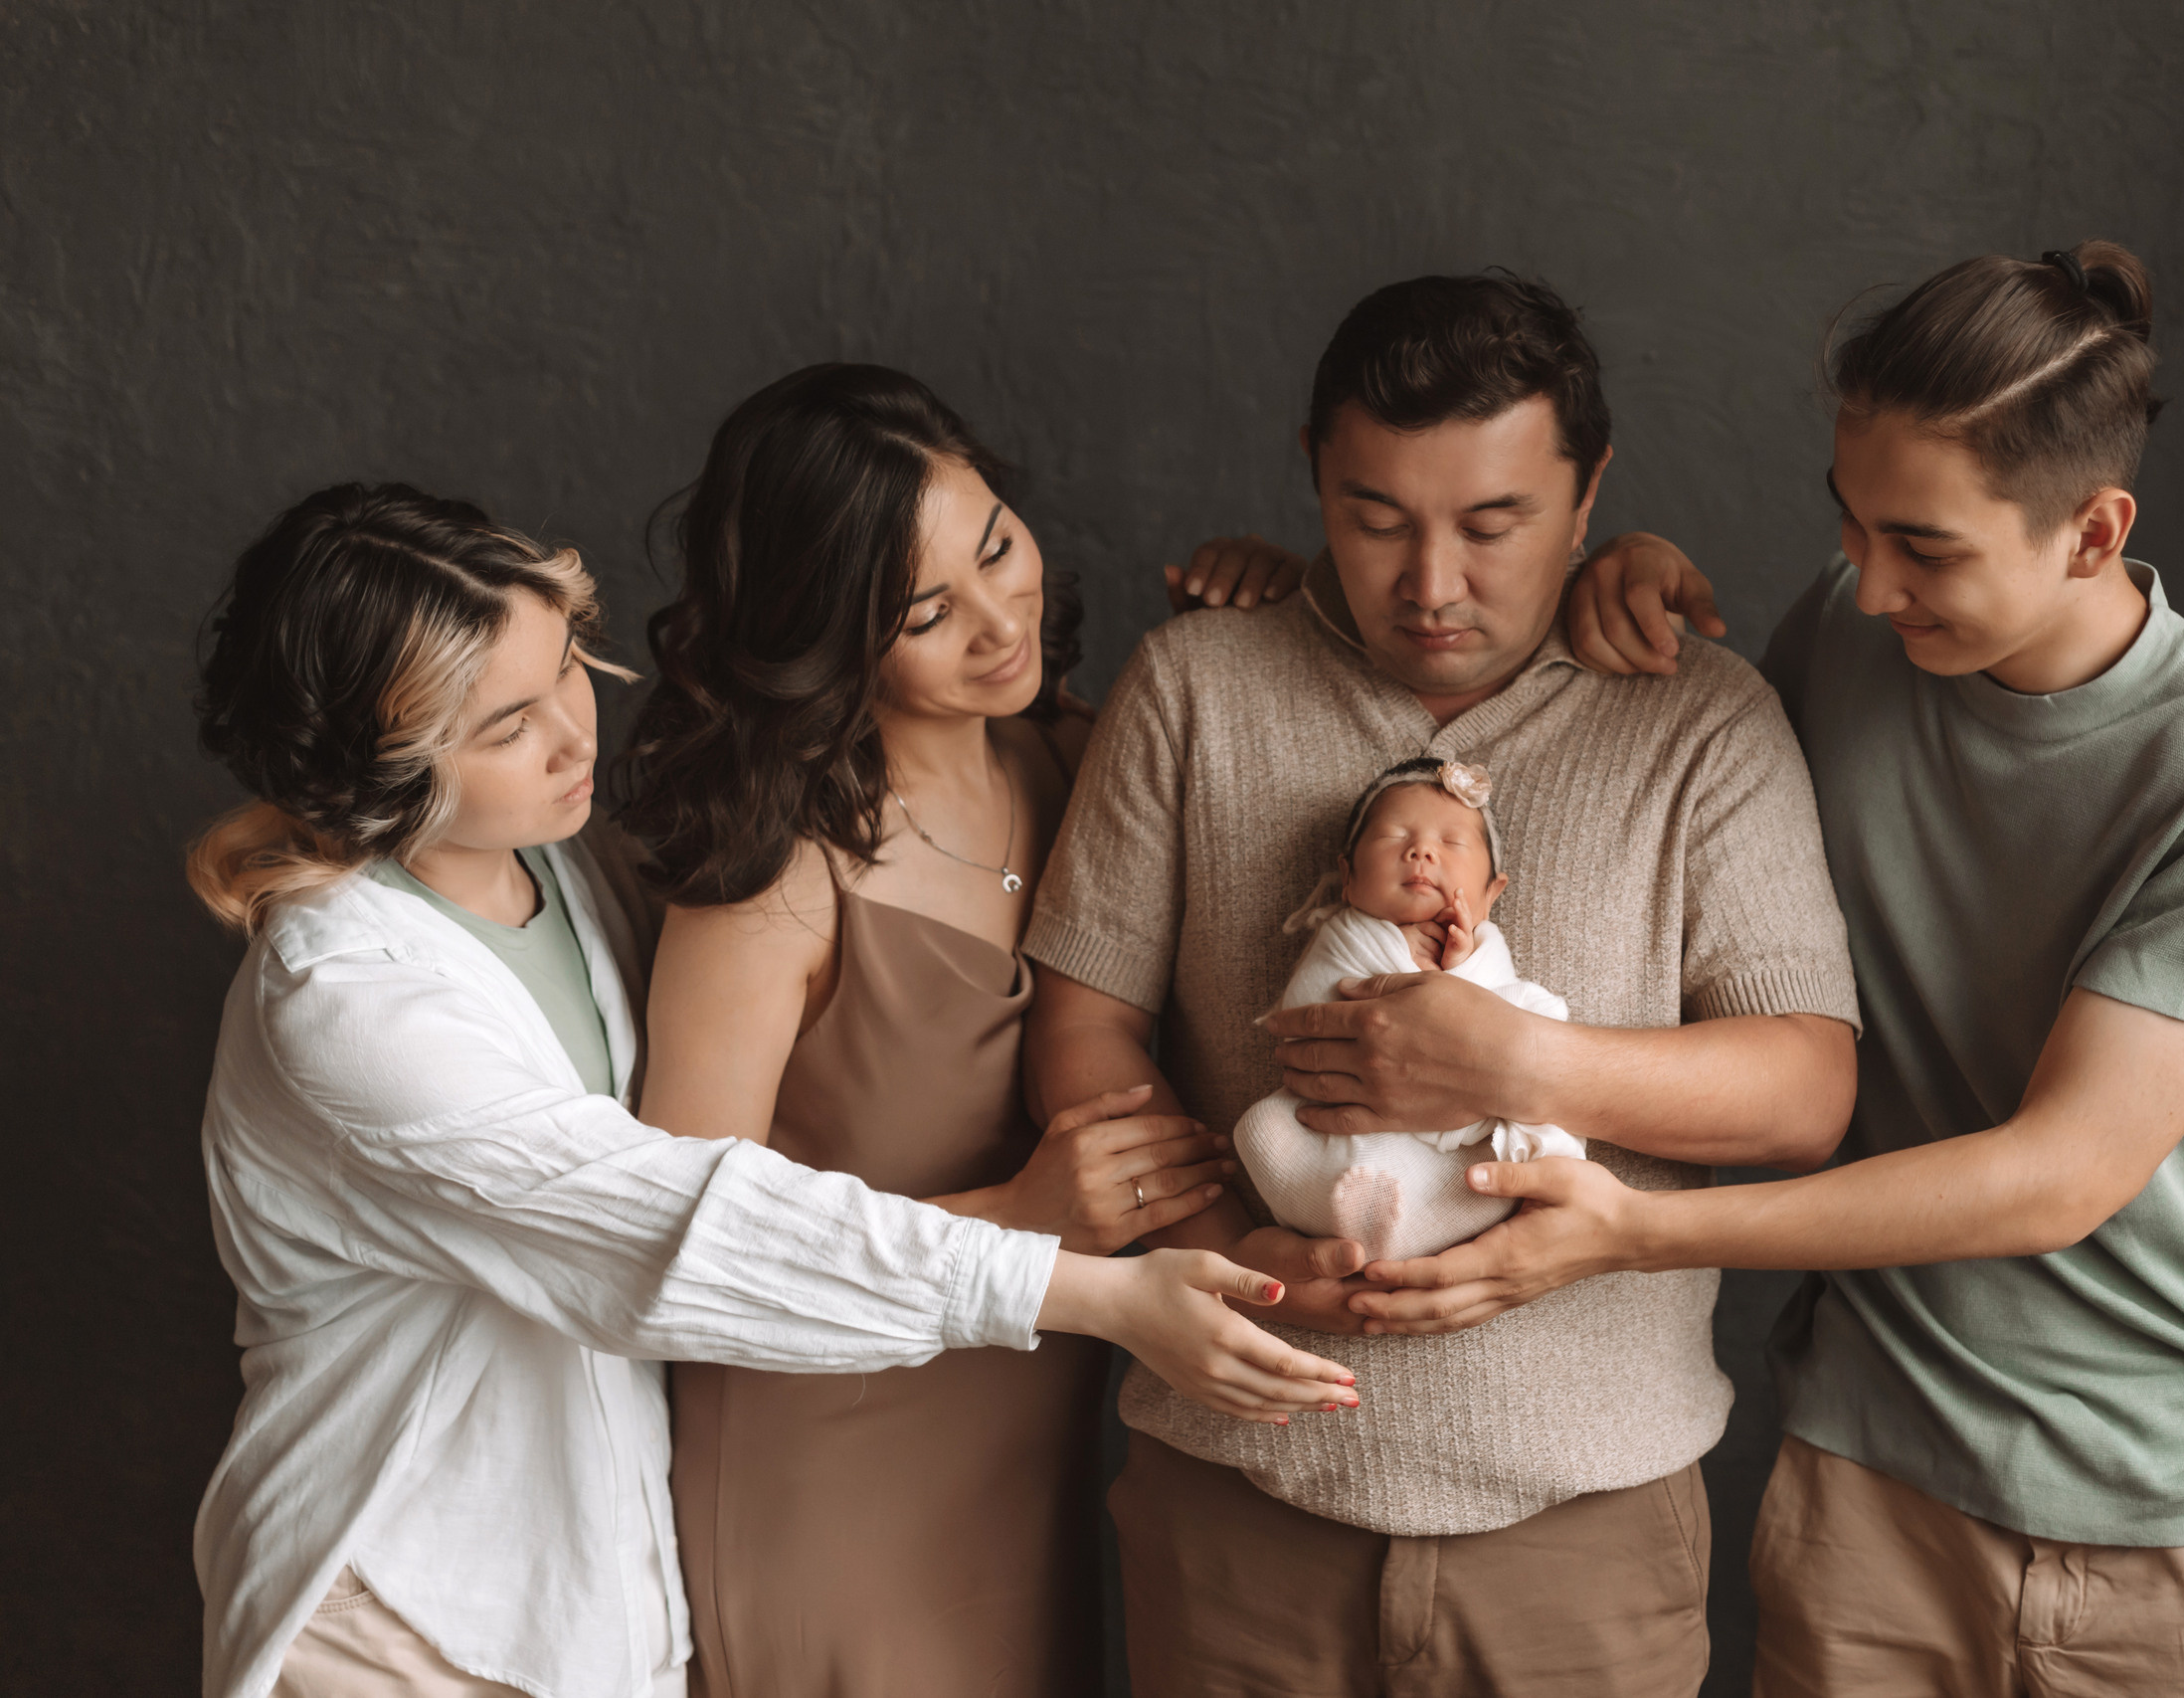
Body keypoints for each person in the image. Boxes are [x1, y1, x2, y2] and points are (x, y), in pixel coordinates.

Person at [1374, 242, 2184, 1696]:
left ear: (2094, 531)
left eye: (1928, 545)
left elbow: (2056, 1175)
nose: (1870, 579)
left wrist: (1632, 1231)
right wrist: (1615, 575)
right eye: (1851, 521)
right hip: (1866, 1493)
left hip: (2164, 1518)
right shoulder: (1845, 636)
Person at [186, 481, 1352, 1698]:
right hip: (404, 1612)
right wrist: (1076, 1279)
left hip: (597, 1601)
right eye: (505, 725)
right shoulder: (348, 1005)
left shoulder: (557, 871)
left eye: (569, 666)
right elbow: (680, 1232)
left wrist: (1277, 636)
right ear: (376, 770)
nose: (578, 735)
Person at [1025, 273, 1862, 1695]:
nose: (1430, 583)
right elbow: (1085, 1020)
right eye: (1374, 518)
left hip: (1583, 1529)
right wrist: (1236, 1242)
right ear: (1313, 475)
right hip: (1239, 1489)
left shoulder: (1702, 720)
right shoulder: (1194, 687)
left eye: (1494, 524)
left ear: (1590, 495)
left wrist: (1521, 1067)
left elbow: (1806, 1089)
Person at [618, 362, 1336, 1697]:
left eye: (999, 543)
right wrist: (1019, 1210)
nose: (1004, 617)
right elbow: (684, 1246)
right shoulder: (778, 874)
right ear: (826, 634)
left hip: (1028, 1446)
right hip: (823, 1468)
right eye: (926, 610)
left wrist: (1286, 598)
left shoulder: (1071, 752)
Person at [1233, 755, 1584, 1261]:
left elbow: (1499, 1035)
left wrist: (1456, 976)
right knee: (1259, 1132)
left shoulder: (1485, 949)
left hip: (1452, 1144)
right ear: (1348, 877)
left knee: (1534, 1017)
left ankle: (1413, 1220)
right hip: (1336, 1132)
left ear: (1490, 894)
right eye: (1395, 837)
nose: (1420, 851)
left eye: (1451, 842)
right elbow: (1307, 1022)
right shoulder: (1344, 938)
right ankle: (1345, 1216)